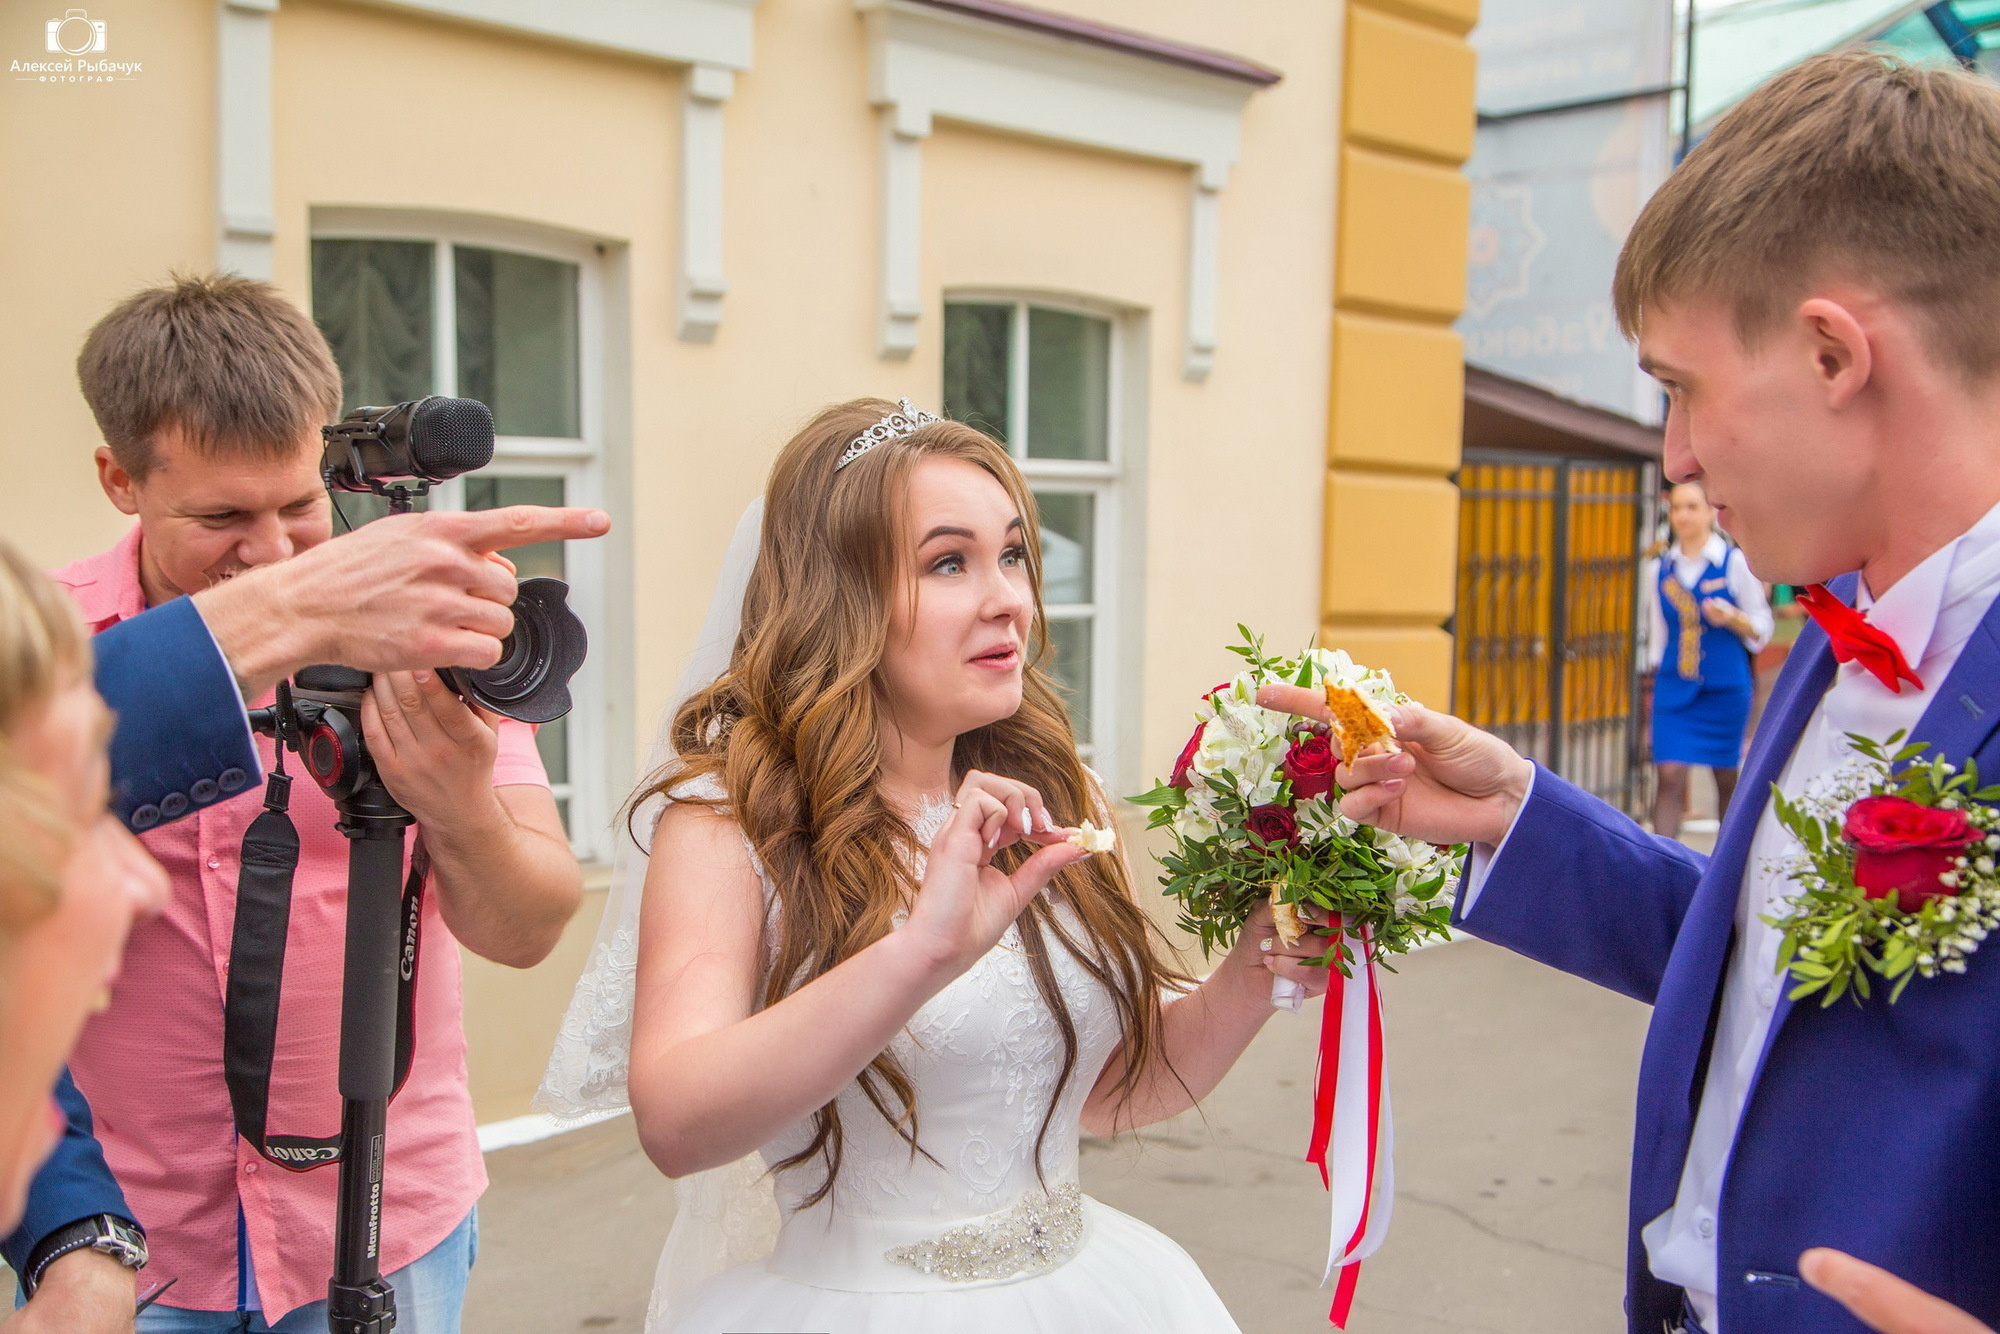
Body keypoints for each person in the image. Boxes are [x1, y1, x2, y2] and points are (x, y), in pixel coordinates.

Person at [1261, 52, 2000, 1334]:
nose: (1675, 455)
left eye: (1676, 388)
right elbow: (1760, 968)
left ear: (1832, 354)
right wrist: (1516, 815)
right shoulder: (1832, 632)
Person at [543, 399, 1332, 1332]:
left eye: (1013, 555)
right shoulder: (728, 826)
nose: (1009, 598)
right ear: (842, 599)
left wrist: (1252, 972)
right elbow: (676, 1124)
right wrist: (920, 954)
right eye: (949, 563)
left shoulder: (1050, 787)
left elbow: (1114, 1093)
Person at [13, 273, 587, 1334]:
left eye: (297, 507)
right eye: (222, 517)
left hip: (385, 1217)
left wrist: (457, 805)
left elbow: (530, 924)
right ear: (118, 478)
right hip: (131, 1243)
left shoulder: (417, 627)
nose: (274, 555)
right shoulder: (40, 646)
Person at [1643, 479, 1771, 836]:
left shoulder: (1733, 563)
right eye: (1677, 507)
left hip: (1724, 688)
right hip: (1674, 686)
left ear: (1710, 512)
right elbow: (1658, 634)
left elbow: (1762, 627)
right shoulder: (1660, 569)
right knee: (1669, 775)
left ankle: (1724, 872)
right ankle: (1661, 868)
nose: (1683, 515)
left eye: (1692, 507)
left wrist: (1732, 618)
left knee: (1726, 775)